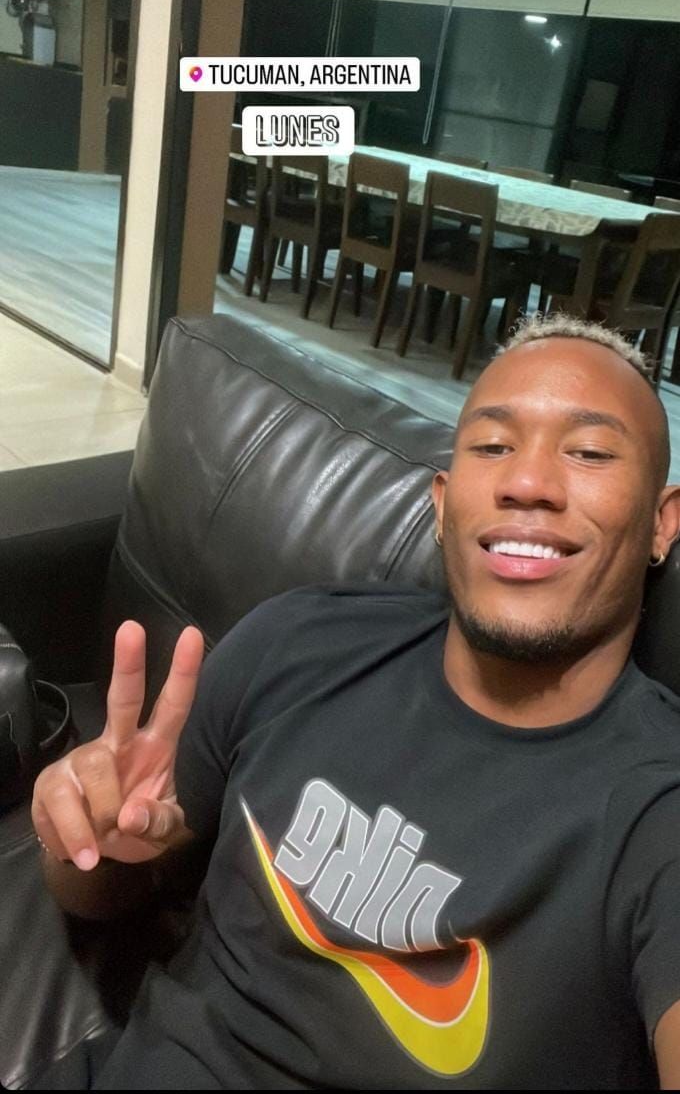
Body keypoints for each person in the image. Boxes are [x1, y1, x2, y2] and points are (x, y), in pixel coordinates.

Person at [29, 313, 680, 1089]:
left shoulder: (657, 806)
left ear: (662, 523)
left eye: (590, 452)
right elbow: (109, 892)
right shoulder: (297, 641)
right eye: (492, 446)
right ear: (443, 503)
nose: (528, 482)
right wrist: (88, 840)